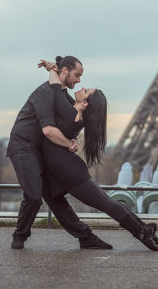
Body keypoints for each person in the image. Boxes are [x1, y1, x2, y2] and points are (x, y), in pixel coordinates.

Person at [40, 60, 158, 252]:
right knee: (93, 203)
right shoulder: (73, 112)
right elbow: (61, 91)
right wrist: (57, 68)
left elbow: (58, 89)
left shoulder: (72, 114)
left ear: (85, 102)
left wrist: (54, 70)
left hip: (67, 171)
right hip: (61, 169)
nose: (83, 86)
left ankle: (141, 230)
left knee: (105, 202)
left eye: (87, 90)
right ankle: (136, 231)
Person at [6, 55, 112, 250]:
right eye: (77, 75)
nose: (79, 80)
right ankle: (20, 235)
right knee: (34, 195)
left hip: (41, 151)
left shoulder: (60, 94)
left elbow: (72, 112)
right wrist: (69, 144)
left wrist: (53, 70)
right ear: (65, 72)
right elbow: (48, 130)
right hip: (23, 147)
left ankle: (85, 237)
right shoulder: (46, 92)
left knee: (55, 199)